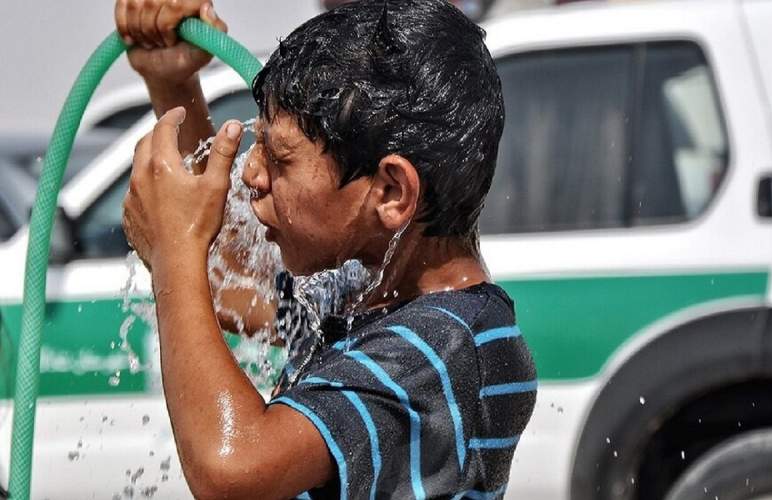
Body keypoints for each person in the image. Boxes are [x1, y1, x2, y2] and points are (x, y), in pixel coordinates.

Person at [117, 0, 536, 498]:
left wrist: (173, 250)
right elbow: (224, 286)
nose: (251, 174)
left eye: (280, 157)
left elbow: (233, 468)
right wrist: (175, 87)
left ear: (391, 192)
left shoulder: (443, 349)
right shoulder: (365, 292)